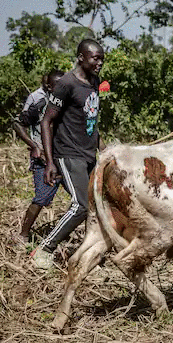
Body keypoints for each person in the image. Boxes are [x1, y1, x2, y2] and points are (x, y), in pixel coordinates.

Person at [31, 39, 105, 269]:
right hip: (68, 153)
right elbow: (46, 122)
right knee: (81, 205)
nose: (100, 63)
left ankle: (90, 258)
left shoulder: (94, 81)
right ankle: (44, 250)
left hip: (88, 153)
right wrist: (50, 161)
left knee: (98, 206)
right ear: (81, 57)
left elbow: (90, 118)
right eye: (95, 58)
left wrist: (102, 148)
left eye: (102, 58)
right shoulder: (66, 83)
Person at [12, 70, 65, 245]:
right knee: (42, 197)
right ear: (49, 86)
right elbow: (18, 123)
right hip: (43, 158)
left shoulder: (66, 98)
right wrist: (34, 146)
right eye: (58, 85)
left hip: (64, 155)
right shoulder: (38, 100)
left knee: (81, 199)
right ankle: (23, 235)